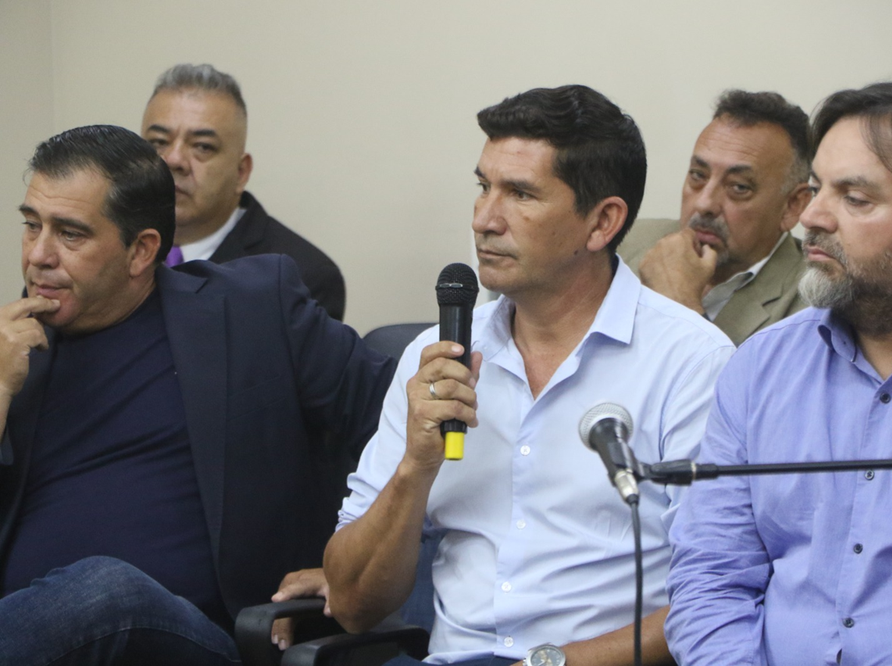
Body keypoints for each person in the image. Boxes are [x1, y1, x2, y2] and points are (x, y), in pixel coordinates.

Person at [295, 85, 734, 666]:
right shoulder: (436, 355)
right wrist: (415, 467)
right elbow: (353, 605)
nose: (483, 219)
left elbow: (711, 598)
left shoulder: (692, 362)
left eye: (520, 194)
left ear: (602, 222)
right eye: (483, 186)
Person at [0, 124, 395, 664]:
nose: (38, 255)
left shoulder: (254, 310)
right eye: (30, 226)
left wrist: (354, 567)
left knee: (106, 590)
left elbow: (409, 423)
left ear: (141, 251)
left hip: (208, 639)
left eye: (70, 234)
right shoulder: (11, 353)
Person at [665, 79, 892, 664]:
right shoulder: (760, 368)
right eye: (817, 188)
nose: (813, 217)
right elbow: (709, 576)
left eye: (855, 198)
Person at [141, 63, 347, 320]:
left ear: (241, 172)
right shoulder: (105, 246)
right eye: (158, 142)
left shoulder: (302, 277)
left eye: (203, 147)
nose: (173, 160)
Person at [618, 90, 812, 345]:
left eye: (739, 187)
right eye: (698, 175)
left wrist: (682, 307)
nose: (704, 203)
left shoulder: (813, 305)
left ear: (792, 206)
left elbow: (743, 386)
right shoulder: (626, 243)